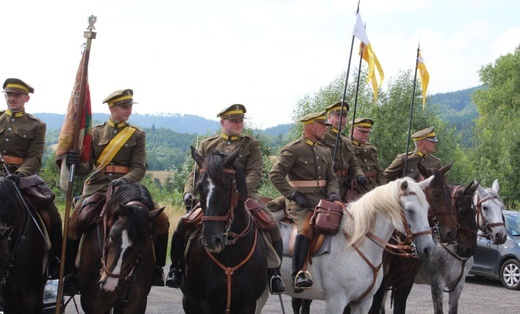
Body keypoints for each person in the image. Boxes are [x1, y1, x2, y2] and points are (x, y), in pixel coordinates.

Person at [166, 104, 286, 294]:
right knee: (184, 222)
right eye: (234, 121)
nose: (239, 124)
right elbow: (196, 174)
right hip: (212, 197)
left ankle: (274, 274)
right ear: (223, 122)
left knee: (270, 223)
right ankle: (176, 268)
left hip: (243, 195)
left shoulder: (251, 144)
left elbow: (255, 172)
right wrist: (188, 192)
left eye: (241, 121)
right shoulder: (208, 144)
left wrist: (242, 192)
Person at [63, 89, 169, 294]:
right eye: (124, 106)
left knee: (162, 219)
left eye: (130, 106)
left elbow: (139, 167)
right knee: (75, 220)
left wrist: (124, 180)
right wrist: (76, 162)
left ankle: (157, 269)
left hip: (127, 187)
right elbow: (88, 167)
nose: (128, 110)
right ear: (112, 108)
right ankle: (70, 273)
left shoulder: (137, 134)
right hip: (98, 185)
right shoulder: (96, 133)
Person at [269, 111, 340, 292]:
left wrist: (333, 194)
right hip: (299, 203)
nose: (326, 129)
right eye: (322, 125)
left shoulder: (324, 150)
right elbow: (275, 175)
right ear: (311, 126)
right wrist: (292, 194)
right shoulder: (293, 149)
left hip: (323, 201)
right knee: (307, 227)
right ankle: (298, 274)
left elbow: (331, 177)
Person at [0, 78, 62, 279]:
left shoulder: (37, 125)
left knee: (52, 214)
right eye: (9, 94)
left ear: (26, 98)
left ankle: (55, 262)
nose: (12, 98)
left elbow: (35, 157)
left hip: (21, 179)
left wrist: (19, 174)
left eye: (17, 95)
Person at [323, 101, 366, 200]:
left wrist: (359, 175)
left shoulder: (346, 140)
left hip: (345, 185)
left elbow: (353, 163)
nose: (343, 120)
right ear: (329, 117)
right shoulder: (323, 136)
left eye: (345, 117)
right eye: (339, 116)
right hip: (327, 185)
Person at [350, 117, 387, 191]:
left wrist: (384, 189)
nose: (366, 134)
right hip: (354, 187)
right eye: (362, 131)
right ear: (352, 130)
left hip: (373, 187)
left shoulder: (371, 149)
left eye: (367, 132)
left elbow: (379, 172)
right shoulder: (346, 146)